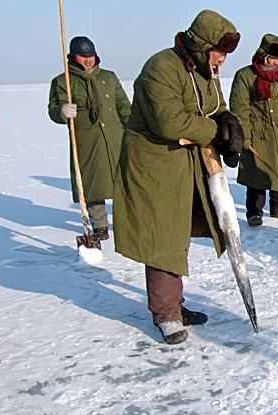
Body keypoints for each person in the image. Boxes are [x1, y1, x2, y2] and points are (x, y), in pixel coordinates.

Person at [113, 10, 243, 344]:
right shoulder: (161, 67)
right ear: (202, 46)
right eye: (220, 53)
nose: (223, 61)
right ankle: (166, 314)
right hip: (156, 166)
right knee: (163, 238)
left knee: (178, 233)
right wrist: (216, 132)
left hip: (188, 164)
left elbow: (214, 106)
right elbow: (169, 122)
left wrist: (229, 124)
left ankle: (175, 303)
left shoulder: (205, 70)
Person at [48, 36, 131, 241]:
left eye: (91, 56)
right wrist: (61, 111)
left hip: (114, 138)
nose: (88, 60)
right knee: (94, 185)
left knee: (123, 183)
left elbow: (124, 107)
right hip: (86, 141)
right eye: (83, 56)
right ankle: (100, 226)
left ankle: (125, 224)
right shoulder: (63, 81)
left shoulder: (109, 78)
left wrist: (134, 130)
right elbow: (52, 110)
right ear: (73, 57)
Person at [230, 33, 278, 227]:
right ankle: (254, 212)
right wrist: (243, 137)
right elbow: (239, 110)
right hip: (257, 134)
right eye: (274, 58)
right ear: (263, 55)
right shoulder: (245, 76)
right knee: (257, 174)